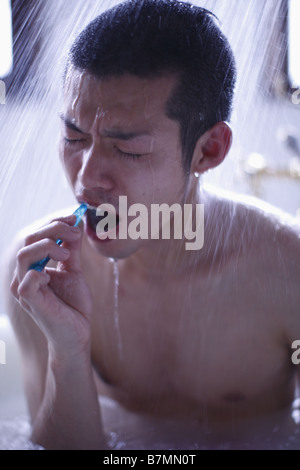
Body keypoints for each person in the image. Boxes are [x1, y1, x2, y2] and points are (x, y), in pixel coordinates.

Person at [5, 0, 300, 450]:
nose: (85, 180)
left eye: (128, 150)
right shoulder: (37, 270)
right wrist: (68, 352)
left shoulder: (287, 271)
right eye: (74, 138)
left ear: (208, 151)